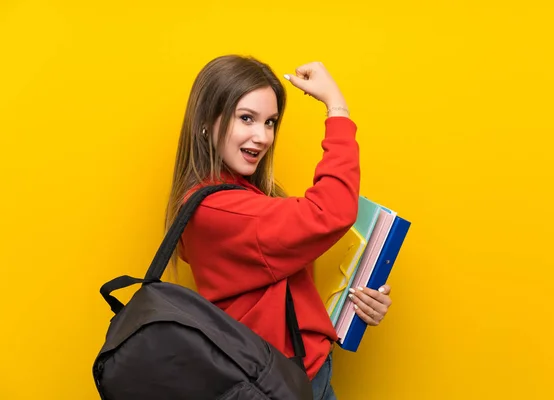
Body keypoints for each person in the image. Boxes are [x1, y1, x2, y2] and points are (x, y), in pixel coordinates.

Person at [164, 55, 393, 400]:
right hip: (282, 382)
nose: (263, 136)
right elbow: (331, 212)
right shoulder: (220, 209)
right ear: (205, 124)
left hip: (296, 373)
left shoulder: (236, 196)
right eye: (246, 118)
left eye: (270, 122)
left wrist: (355, 300)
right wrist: (337, 109)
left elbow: (276, 284)